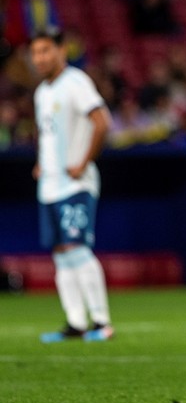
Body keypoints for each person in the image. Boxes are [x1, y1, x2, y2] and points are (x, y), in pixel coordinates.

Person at [30, 28, 114, 343]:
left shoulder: (75, 83)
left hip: (76, 183)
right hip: (49, 185)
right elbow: (47, 132)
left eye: (46, 51)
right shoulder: (42, 92)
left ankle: (102, 322)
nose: (39, 58)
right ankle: (76, 322)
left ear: (61, 51)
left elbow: (102, 121)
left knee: (77, 247)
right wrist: (42, 161)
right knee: (61, 252)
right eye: (35, 52)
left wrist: (84, 161)